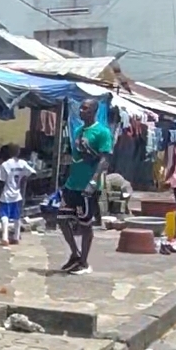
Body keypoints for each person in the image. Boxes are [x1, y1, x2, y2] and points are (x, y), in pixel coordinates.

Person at [58, 99, 114, 274]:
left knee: (85, 224)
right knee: (61, 218)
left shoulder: (102, 132)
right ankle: (75, 254)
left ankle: (84, 262)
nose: (81, 111)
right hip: (72, 184)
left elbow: (105, 159)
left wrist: (93, 181)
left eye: (85, 108)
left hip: (87, 186)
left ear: (94, 111)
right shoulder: (77, 130)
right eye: (81, 108)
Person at [0, 144, 33, 245]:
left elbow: (1, 181)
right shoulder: (22, 163)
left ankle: (5, 237)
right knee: (17, 216)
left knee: (4, 215)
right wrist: (23, 179)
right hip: (17, 194)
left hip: (6, 194)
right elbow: (32, 172)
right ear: (18, 152)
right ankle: (16, 237)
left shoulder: (5, 165)